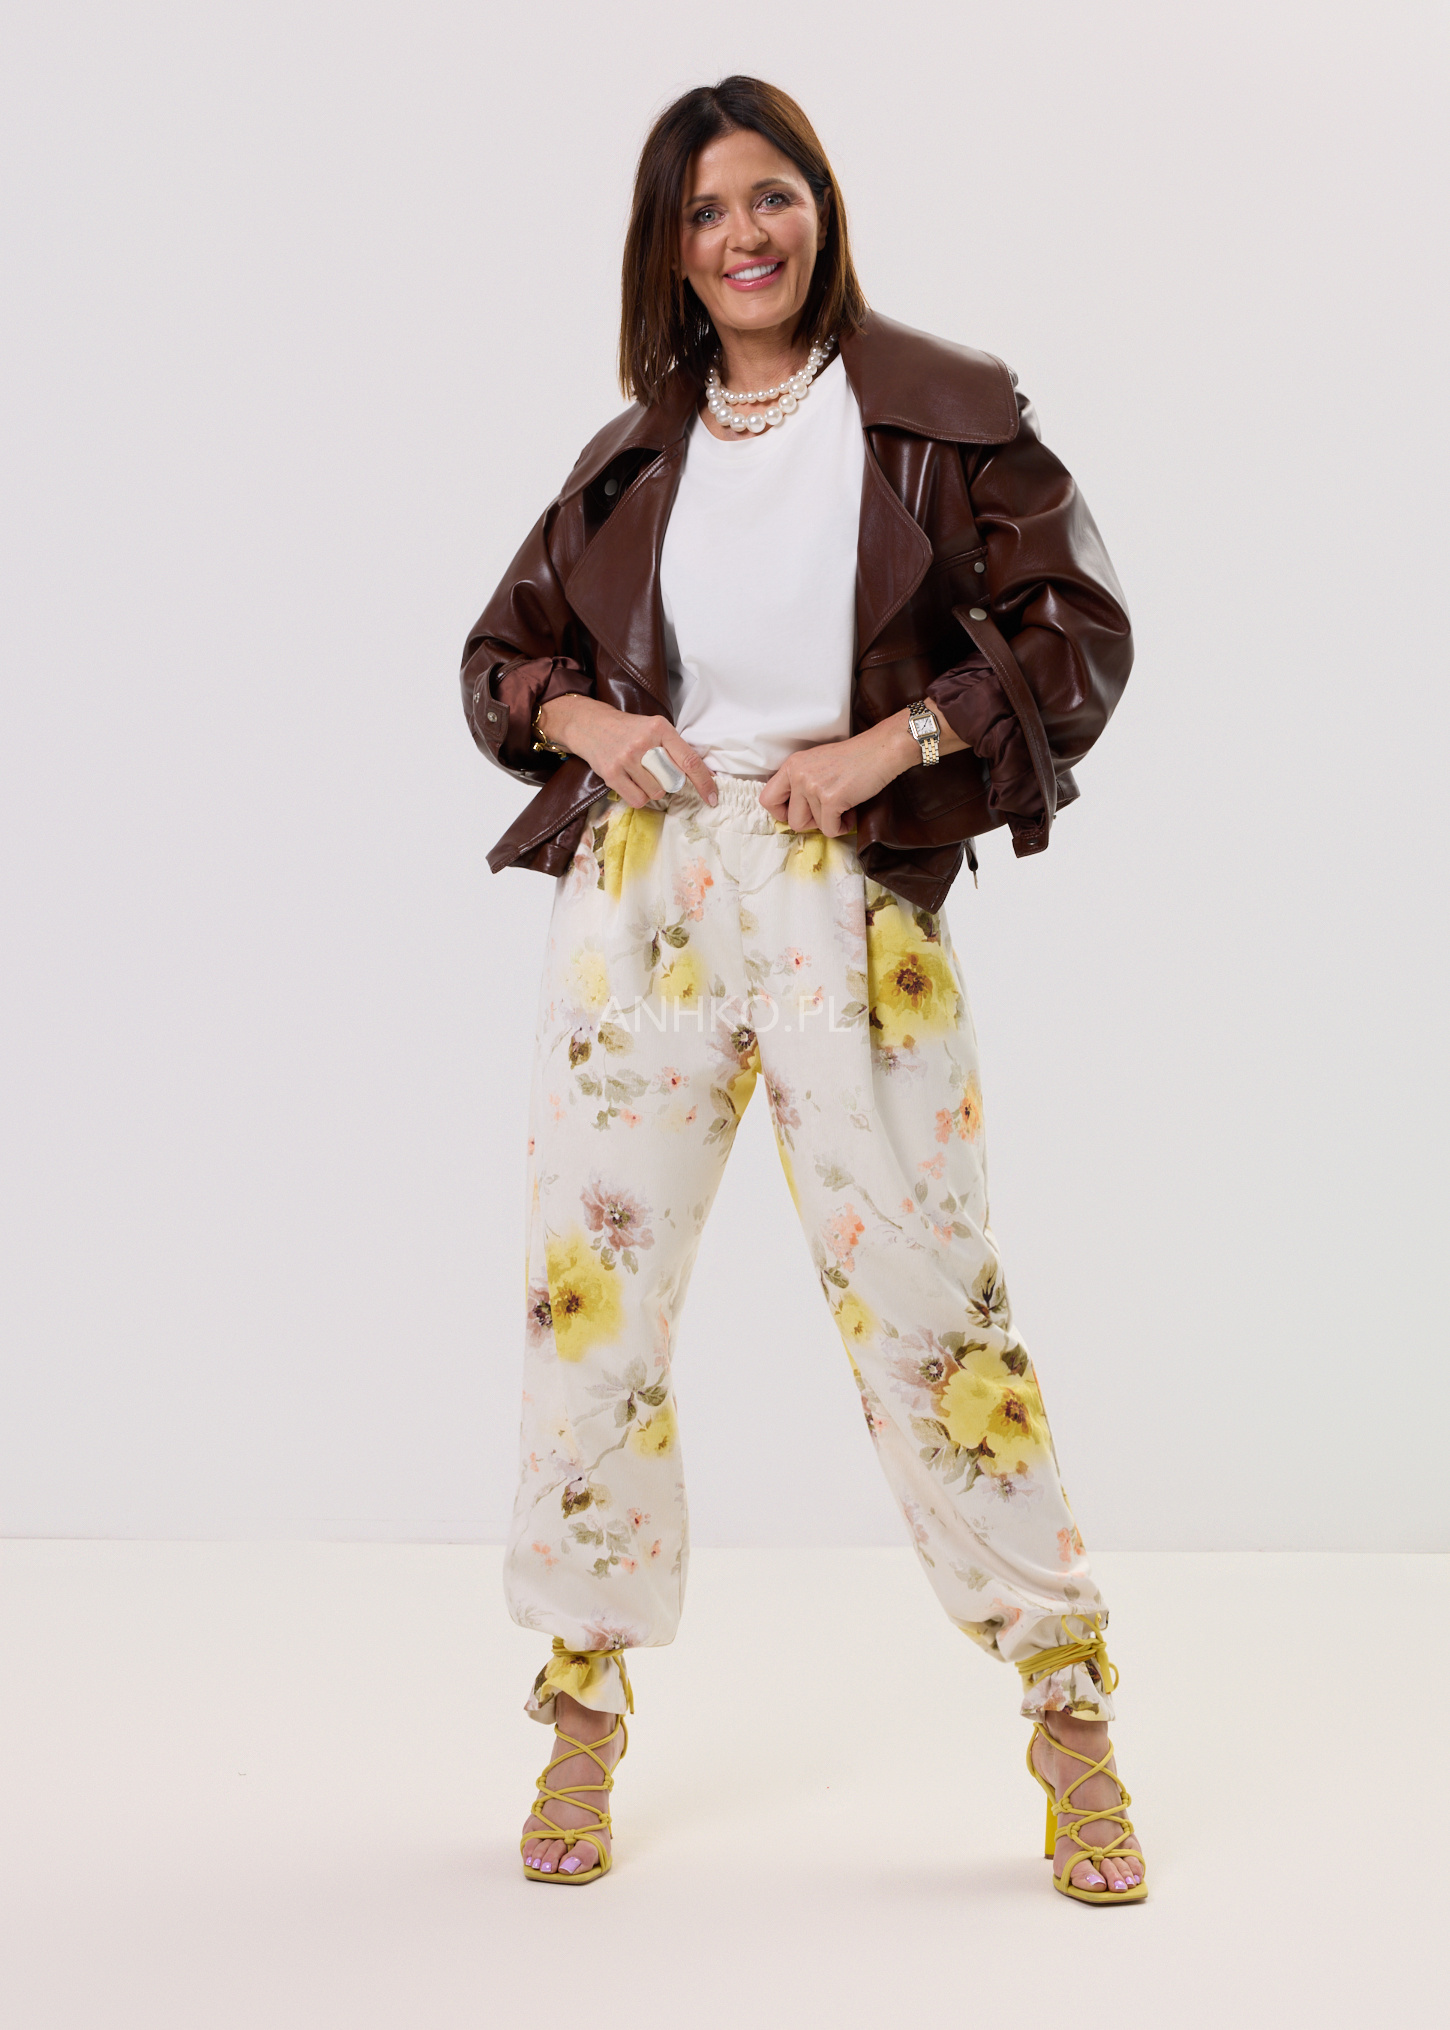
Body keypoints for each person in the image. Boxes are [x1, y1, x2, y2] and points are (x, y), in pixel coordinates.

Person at [459, 76, 1145, 1904]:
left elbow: (1079, 638)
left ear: (819, 206)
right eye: (703, 213)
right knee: (593, 1308)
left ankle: (1067, 1706)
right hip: (643, 902)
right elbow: (500, 660)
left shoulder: (941, 411)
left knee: (933, 1305)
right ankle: (580, 1701)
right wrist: (590, 721)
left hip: (851, 894)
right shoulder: (633, 452)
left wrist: (892, 743)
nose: (743, 234)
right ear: (669, 252)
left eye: (769, 195)